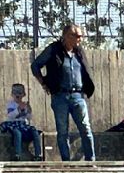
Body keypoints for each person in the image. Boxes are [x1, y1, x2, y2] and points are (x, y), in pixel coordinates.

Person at [31, 23, 96, 161]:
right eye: (77, 36)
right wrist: (43, 83)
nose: (80, 39)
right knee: (62, 131)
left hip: (78, 95)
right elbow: (36, 65)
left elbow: (85, 71)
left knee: (85, 129)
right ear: (66, 36)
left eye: (81, 36)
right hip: (60, 96)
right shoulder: (54, 49)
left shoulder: (79, 52)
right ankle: (66, 161)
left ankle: (91, 160)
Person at [0, 83, 42, 161]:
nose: (18, 96)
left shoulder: (25, 104)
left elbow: (29, 118)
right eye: (16, 94)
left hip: (23, 124)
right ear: (12, 95)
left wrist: (29, 111)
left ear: (23, 95)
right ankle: (17, 154)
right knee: (17, 133)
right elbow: (11, 116)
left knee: (35, 132)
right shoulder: (11, 104)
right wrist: (19, 109)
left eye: (20, 94)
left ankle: (38, 154)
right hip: (14, 124)